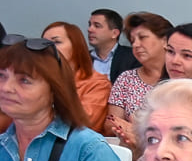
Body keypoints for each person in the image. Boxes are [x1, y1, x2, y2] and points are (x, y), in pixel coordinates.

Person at [106, 11, 172, 145]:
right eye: (132, 41)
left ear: (165, 41)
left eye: (142, 37)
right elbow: (110, 124)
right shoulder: (126, 79)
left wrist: (139, 129)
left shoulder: (179, 78)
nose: (136, 45)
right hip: (132, 151)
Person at [41, 21, 111, 131]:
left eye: (56, 42)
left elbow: (83, 122)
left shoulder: (98, 83)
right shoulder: (37, 80)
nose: (48, 48)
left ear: (76, 46)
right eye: (44, 44)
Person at [87, 9, 138, 82]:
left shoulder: (132, 57)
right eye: (90, 25)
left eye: (97, 26)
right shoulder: (82, 59)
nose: (89, 29)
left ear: (114, 33)